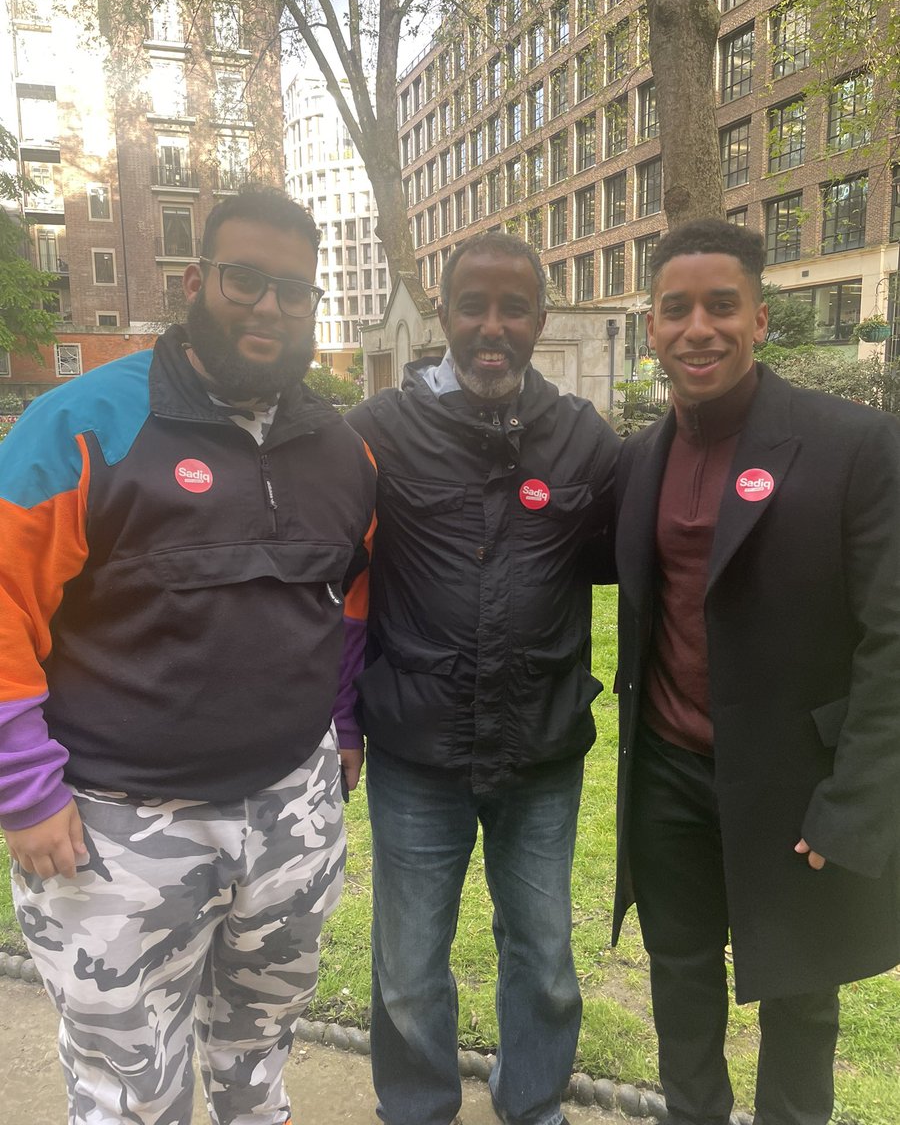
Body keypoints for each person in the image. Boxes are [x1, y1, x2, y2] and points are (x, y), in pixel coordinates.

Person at [0, 187, 376, 1125]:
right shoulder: (80, 425)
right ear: (195, 280)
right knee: (128, 1088)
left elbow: (349, 602)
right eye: (245, 279)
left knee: (259, 1051)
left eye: (294, 289)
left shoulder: (342, 452)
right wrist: (25, 792)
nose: (270, 306)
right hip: (116, 830)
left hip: (289, 816)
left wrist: (342, 731)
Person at [613, 219, 900, 1125]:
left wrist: (856, 802)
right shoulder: (638, 460)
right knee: (680, 983)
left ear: (760, 319)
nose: (700, 327)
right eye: (677, 310)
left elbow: (891, 640)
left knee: (802, 997)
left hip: (795, 781)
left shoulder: (855, 446)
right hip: (666, 773)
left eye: (722, 306)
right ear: (652, 329)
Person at [346, 232, 620, 1125]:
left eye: (513, 308)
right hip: (415, 749)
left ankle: (533, 1104)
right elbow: (323, 568)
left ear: (541, 317)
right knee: (409, 964)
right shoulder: (379, 431)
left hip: (541, 748)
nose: (491, 327)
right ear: (444, 316)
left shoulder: (581, 439)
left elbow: (656, 553)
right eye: (473, 306)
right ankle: (418, 1108)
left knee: (541, 954)